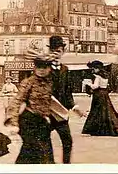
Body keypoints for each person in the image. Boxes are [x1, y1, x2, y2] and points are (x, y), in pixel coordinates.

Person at [4, 55, 55, 164]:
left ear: (49, 68)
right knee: (33, 148)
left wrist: (47, 116)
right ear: (34, 68)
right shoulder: (28, 82)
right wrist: (14, 123)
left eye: (45, 67)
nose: (41, 70)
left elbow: (50, 102)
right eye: (38, 67)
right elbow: (17, 101)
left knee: (45, 153)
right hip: (28, 121)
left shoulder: (50, 83)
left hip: (42, 122)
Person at [48, 35, 85, 164]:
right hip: (46, 113)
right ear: (49, 51)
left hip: (61, 113)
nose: (55, 54)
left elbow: (67, 92)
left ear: (63, 52)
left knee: (67, 141)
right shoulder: (44, 68)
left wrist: (74, 107)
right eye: (53, 51)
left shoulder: (65, 69)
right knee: (44, 143)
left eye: (58, 51)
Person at [82, 61, 118, 136]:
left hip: (99, 94)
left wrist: (87, 83)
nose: (92, 70)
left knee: (96, 111)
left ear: (97, 69)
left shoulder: (97, 77)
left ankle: (97, 130)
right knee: (107, 111)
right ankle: (115, 128)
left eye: (94, 68)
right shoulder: (105, 76)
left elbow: (95, 86)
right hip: (105, 94)